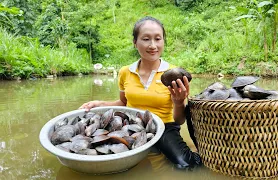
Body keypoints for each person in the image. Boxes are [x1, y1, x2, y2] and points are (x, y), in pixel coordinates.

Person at [79, 16, 201, 169]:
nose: (152, 45)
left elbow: (179, 121)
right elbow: (123, 103)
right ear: (135, 43)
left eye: (158, 39)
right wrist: (100, 103)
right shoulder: (125, 72)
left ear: (163, 41)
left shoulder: (173, 75)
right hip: (131, 126)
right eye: (145, 39)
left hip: (164, 126)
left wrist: (178, 102)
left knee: (186, 164)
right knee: (101, 150)